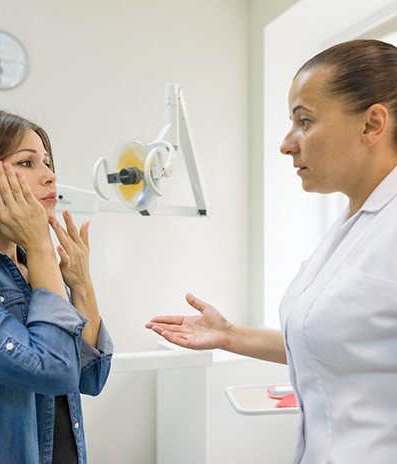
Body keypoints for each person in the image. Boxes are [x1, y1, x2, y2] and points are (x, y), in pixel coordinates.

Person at [146, 39, 397, 463]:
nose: (286, 143)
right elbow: (343, 340)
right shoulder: (351, 224)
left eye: (304, 121)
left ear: (372, 125)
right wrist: (230, 335)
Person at [0, 110, 113, 464]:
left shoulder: (35, 268)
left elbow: (90, 376)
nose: (50, 176)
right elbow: (56, 371)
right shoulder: (40, 261)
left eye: (46, 161)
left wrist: (81, 284)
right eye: (27, 162)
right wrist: (43, 247)